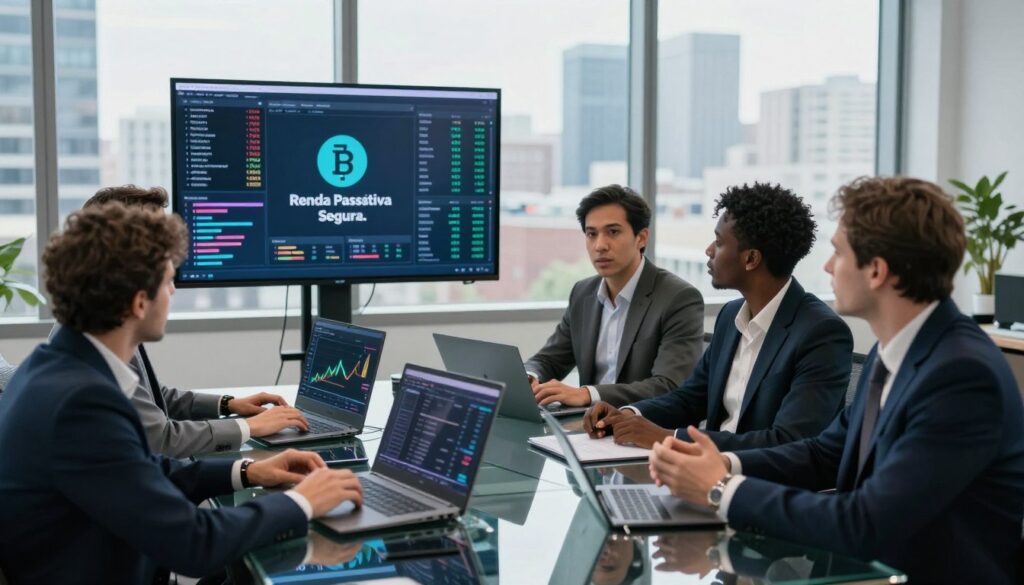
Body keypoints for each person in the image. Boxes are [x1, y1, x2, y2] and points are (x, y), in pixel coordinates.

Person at [649, 177, 1024, 583]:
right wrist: (725, 463)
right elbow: (824, 453)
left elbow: (865, 522)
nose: (827, 266)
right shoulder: (894, 349)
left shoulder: (961, 376)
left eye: (838, 252)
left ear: (877, 271)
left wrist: (722, 488)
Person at [0, 204, 364, 584]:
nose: (174, 290)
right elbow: (195, 545)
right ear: (140, 302)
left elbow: (142, 473)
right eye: (170, 280)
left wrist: (249, 471)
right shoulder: (81, 404)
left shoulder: (53, 368)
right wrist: (302, 502)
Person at [585, 183, 852, 450]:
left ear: (751, 259)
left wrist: (668, 438)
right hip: (704, 475)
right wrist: (630, 415)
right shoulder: (731, 316)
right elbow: (691, 398)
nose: (709, 250)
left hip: (759, 483)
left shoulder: (820, 333)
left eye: (720, 242)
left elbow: (789, 442)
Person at [75, 185, 310, 457]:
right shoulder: (98, 343)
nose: (171, 284)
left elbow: (154, 398)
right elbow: (161, 440)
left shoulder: (105, 322)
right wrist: (248, 427)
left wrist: (228, 404)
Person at [525, 184, 705, 407]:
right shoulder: (583, 293)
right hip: (587, 427)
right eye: (591, 234)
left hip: (643, 428)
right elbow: (550, 359)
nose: (600, 245)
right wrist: (530, 375)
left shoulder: (679, 298)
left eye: (613, 232)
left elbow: (669, 385)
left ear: (641, 238)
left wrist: (589, 394)